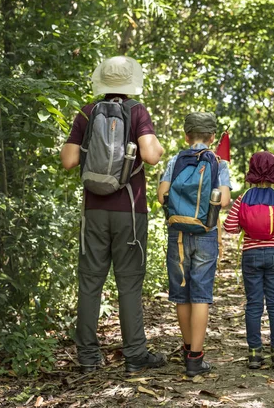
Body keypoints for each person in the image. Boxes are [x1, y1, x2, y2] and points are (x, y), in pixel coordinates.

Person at [60, 56, 166, 373]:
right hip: (130, 213)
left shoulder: (87, 112)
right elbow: (150, 154)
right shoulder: (137, 112)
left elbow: (67, 160)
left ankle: (89, 358)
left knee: (90, 282)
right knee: (129, 283)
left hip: (94, 211)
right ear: (131, 82)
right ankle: (135, 354)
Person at [157, 112, 231, 377]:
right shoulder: (218, 163)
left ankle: (187, 347)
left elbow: (161, 196)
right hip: (205, 233)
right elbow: (223, 200)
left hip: (176, 234)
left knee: (182, 293)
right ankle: (195, 359)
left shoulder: (175, 160)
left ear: (186, 136)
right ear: (212, 137)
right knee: (201, 294)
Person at [223, 151, 274, 369]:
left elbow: (229, 227)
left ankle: (255, 354)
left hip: (250, 255)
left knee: (254, 304)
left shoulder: (243, 198)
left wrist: (246, 227)